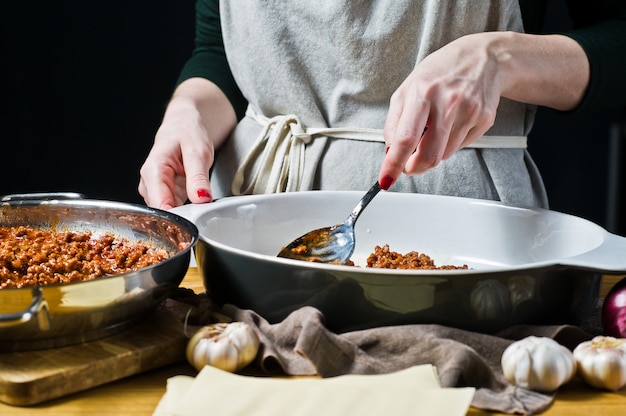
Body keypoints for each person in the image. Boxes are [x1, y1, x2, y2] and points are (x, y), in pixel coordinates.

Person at [138, 0, 626, 211]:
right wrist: (188, 112)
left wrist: (498, 60)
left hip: (456, 242)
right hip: (242, 219)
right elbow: (221, 50)